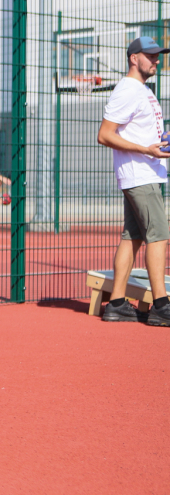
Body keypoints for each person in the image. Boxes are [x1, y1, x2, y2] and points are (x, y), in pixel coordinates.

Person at [97, 36, 170, 326]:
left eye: (157, 55)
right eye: (150, 55)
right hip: (140, 176)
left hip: (145, 172)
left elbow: (140, 132)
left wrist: (159, 143)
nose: (156, 60)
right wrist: (146, 150)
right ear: (133, 58)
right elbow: (105, 135)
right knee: (159, 235)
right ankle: (161, 306)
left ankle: (116, 304)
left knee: (134, 236)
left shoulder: (143, 90)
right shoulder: (127, 90)